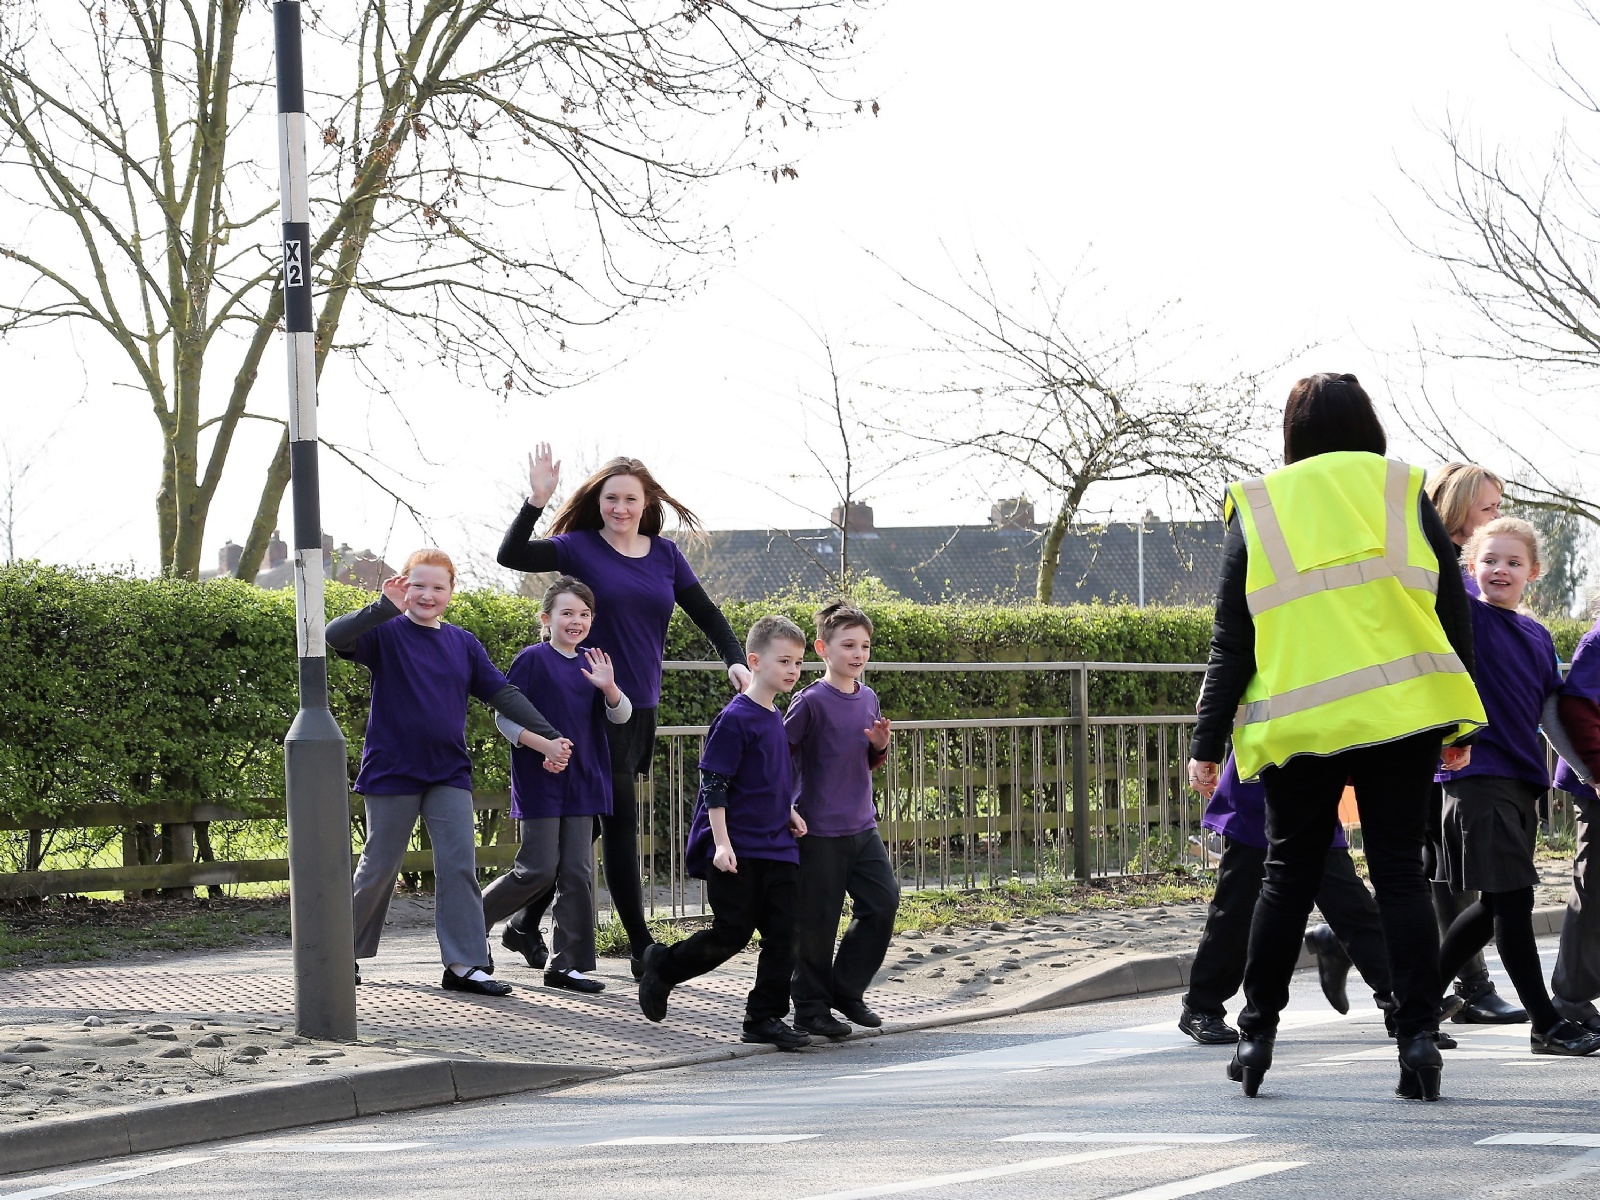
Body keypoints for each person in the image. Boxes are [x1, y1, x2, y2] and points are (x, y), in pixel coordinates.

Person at [1187, 372, 1486, 1102]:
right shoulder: (1401, 490)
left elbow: (1233, 638)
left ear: (1293, 432)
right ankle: (1417, 1039)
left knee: (1286, 875)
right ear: (1368, 424)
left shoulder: (1259, 504)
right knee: (1400, 874)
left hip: (1301, 719)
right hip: (1400, 713)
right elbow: (1453, 610)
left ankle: (1256, 1035)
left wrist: (1206, 741)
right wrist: (1461, 718)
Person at [495, 447, 750, 977]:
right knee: (619, 824)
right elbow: (511, 555)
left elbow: (706, 612)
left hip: (638, 708)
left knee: (585, 827)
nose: (620, 508)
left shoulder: (666, 556)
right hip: (587, 707)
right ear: (598, 501)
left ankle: (524, 923)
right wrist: (536, 501)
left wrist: (733, 659)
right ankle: (641, 946)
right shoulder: (579, 547)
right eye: (611, 498)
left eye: (630, 499)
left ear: (647, 502)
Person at [328, 548, 572, 997]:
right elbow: (335, 635)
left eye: (438, 587)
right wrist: (382, 607)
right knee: (379, 865)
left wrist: (550, 735)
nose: (427, 594)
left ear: (451, 592)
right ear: (403, 586)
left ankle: (464, 966)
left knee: (459, 865)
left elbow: (503, 693)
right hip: (392, 771)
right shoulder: (386, 632)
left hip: (448, 772)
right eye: (418, 585)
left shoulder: (463, 643)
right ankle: (340, 955)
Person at [1434, 518, 1600, 1056]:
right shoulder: (1463, 615)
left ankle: (1416, 1003)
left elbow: (1552, 714)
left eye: (1513, 562)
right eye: (1488, 560)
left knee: (1493, 905)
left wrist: (1590, 773)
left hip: (1521, 781)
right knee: (1512, 902)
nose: (1500, 569)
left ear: (1534, 571)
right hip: (1476, 776)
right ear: (1470, 567)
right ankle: (1546, 1024)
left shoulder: (1538, 635)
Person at [637, 615, 811, 1049]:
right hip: (737, 848)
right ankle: (664, 965)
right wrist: (720, 844)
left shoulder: (775, 715)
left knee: (787, 933)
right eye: (784, 661)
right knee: (732, 933)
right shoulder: (735, 719)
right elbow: (715, 784)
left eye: (798, 662)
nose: (793, 670)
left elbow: (766, 780)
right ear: (754, 661)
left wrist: (788, 811)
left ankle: (763, 1017)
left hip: (778, 846)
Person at [1179, 755, 1402, 1045]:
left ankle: (1401, 1003)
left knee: (1350, 902)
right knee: (1238, 908)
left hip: (1312, 786)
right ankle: (1202, 1004)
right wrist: (1203, 752)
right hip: (1262, 785)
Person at [483, 577, 632, 994]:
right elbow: (504, 716)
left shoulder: (595, 663)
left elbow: (621, 715)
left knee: (577, 873)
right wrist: (544, 747)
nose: (576, 621)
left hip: (584, 781)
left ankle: (567, 964)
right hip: (540, 780)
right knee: (537, 870)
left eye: (584, 614)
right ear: (546, 618)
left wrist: (610, 687)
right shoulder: (531, 660)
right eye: (567, 613)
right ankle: (470, 921)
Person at [1421, 462, 1526, 1024]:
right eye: (1489, 507)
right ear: (1459, 507)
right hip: (1443, 742)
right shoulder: (1450, 579)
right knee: (1448, 871)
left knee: (1436, 868)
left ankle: (1349, 943)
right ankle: (1471, 986)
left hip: (1455, 741)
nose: (1496, 516)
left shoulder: (1469, 576)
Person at [786, 601, 899, 1040]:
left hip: (862, 826)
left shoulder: (868, 698)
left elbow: (863, 761)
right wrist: (785, 808)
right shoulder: (809, 702)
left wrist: (879, 746)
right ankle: (810, 1009)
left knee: (883, 902)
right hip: (817, 831)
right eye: (848, 645)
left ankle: (847, 991)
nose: (858, 654)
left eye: (865, 646)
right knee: (818, 922)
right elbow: (779, 758)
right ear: (823, 649)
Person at [1553, 607, 1600, 1032]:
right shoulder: (1597, 641)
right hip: (1597, 785)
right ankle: (1571, 998)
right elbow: (1578, 709)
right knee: (1595, 887)